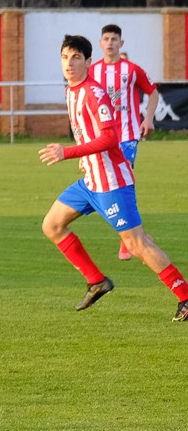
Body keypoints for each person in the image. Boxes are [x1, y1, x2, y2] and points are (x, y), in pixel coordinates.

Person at [38, 34, 188, 322]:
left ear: (88, 62)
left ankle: (185, 296)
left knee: (137, 244)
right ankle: (97, 281)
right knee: (52, 225)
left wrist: (67, 152)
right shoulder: (70, 91)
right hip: (90, 183)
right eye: (65, 57)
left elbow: (110, 138)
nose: (69, 63)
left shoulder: (93, 94)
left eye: (76, 57)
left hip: (113, 183)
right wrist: (83, 157)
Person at [90, 23, 161, 261]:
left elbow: (153, 91)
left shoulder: (131, 70)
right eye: (106, 39)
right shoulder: (92, 72)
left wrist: (148, 118)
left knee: (123, 182)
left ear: (121, 43)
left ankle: (126, 241)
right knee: (106, 188)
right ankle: (134, 236)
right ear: (101, 43)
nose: (110, 43)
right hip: (102, 139)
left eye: (114, 39)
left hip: (128, 136)